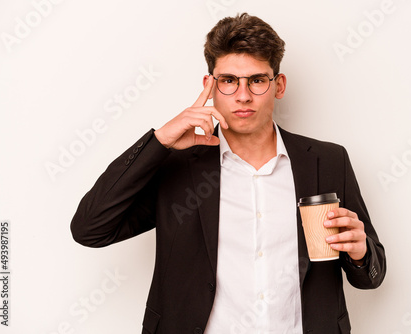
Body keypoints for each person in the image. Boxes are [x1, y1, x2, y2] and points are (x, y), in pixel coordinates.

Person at [71, 13, 386, 334]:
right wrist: (160, 140)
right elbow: (89, 229)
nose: (243, 95)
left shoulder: (327, 160)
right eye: (229, 80)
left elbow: (372, 276)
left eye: (257, 80)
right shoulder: (177, 165)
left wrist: (360, 253)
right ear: (210, 85)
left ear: (279, 85)